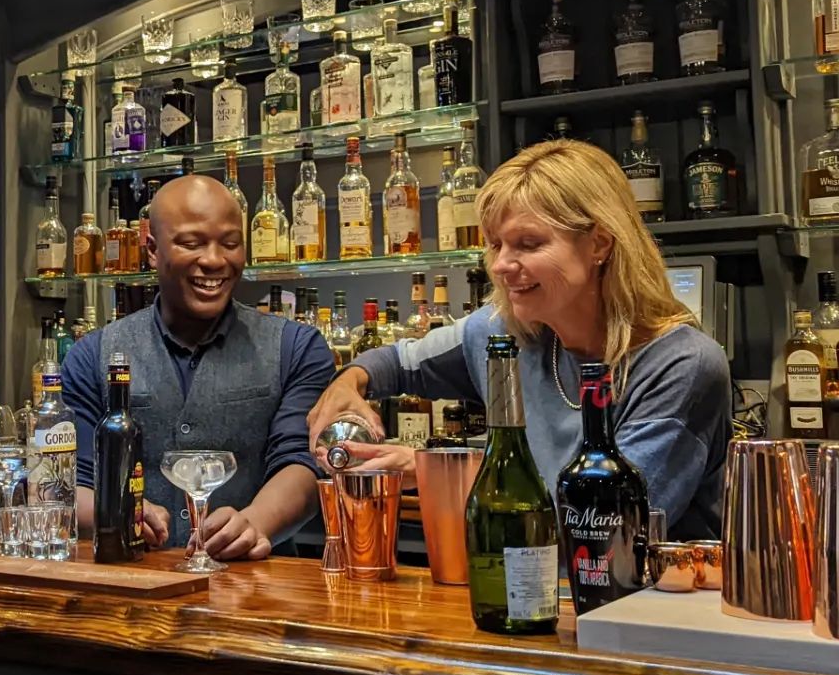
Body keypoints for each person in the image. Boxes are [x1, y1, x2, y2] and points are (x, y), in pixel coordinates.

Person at [307, 140, 730, 538]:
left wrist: (438, 472)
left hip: (645, 606)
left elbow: (605, 525)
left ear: (599, 243)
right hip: (530, 595)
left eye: (529, 243)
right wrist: (349, 383)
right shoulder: (502, 332)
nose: (502, 266)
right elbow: (396, 363)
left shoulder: (681, 366)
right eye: (495, 245)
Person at [64, 175, 331, 560]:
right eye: (192, 244)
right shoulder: (93, 355)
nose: (214, 260)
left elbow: (302, 465)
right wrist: (121, 512)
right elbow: (74, 482)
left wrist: (256, 522)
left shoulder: (297, 349)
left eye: (230, 243)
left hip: (257, 589)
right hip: (132, 582)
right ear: (153, 250)